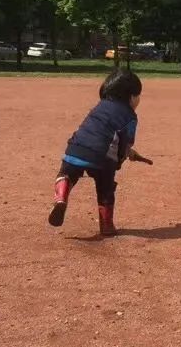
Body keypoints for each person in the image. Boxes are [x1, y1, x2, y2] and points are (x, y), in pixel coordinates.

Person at [48, 69, 151, 236]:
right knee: (106, 189)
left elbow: (97, 132)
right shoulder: (130, 116)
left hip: (75, 149)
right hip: (102, 157)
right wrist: (121, 159)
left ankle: (61, 195)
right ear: (132, 97)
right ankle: (106, 225)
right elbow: (125, 142)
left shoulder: (99, 107)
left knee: (66, 173)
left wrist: (127, 151)